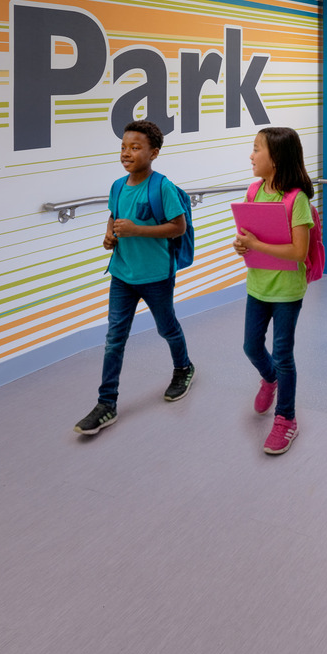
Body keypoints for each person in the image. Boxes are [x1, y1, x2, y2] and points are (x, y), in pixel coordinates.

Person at [74, 120, 194, 435]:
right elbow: (114, 216)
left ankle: (183, 367)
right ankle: (106, 404)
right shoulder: (117, 186)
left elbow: (178, 227)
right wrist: (109, 236)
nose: (126, 153)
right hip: (122, 275)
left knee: (166, 327)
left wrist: (137, 230)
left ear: (153, 153)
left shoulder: (162, 187)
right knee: (115, 338)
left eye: (135, 147)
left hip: (156, 276)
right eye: (124, 147)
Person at [233, 126, 315, 455]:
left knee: (282, 354)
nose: (251, 156)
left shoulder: (297, 200)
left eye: (257, 149)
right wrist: (242, 244)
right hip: (257, 284)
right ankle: (270, 379)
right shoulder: (254, 192)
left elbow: (299, 251)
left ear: (276, 158)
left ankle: (286, 419)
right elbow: (247, 237)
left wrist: (256, 244)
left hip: (287, 291)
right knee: (251, 346)